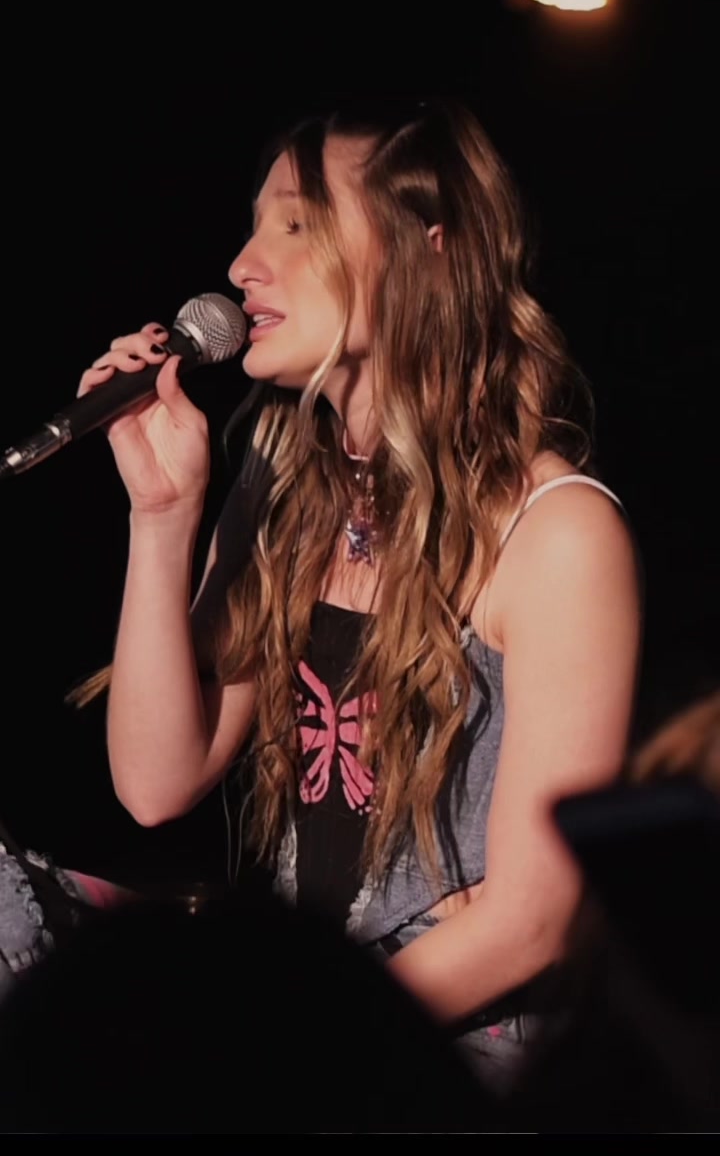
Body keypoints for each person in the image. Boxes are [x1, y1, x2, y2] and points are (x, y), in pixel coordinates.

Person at [71, 97, 642, 1091]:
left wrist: (282, 1043)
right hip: (305, 1002)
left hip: (446, 1051)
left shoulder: (555, 531)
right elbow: (156, 782)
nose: (242, 265)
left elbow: (532, 919)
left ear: (426, 250)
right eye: (253, 226)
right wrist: (162, 516)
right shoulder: (285, 483)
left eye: (296, 224)